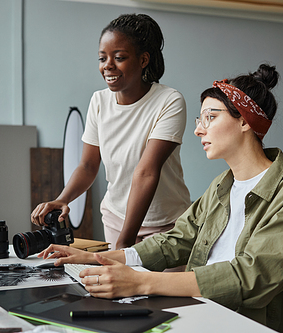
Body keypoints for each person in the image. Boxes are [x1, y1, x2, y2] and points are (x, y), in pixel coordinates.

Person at [38, 64, 283, 333]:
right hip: (201, 310)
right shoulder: (222, 186)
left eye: (211, 117)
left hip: (242, 322)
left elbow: (252, 276)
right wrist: (96, 259)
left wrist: (142, 282)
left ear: (245, 122)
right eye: (201, 119)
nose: (199, 129)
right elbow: (176, 240)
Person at [31, 14, 191, 251]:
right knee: (120, 289)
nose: (108, 65)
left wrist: (125, 244)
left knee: (163, 289)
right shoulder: (99, 101)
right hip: (116, 218)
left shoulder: (169, 101)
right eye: (102, 58)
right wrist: (62, 199)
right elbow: (87, 166)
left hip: (166, 225)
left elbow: (146, 172)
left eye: (119, 58)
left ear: (143, 59)